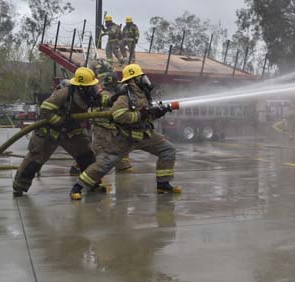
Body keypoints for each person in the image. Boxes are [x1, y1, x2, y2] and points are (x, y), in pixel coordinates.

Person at [70, 64, 181, 200]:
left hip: (145, 134)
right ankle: (78, 188)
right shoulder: (125, 97)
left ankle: (163, 184)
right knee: (105, 163)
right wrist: (140, 114)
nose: (144, 80)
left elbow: (147, 116)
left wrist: (159, 112)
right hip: (125, 138)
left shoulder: (143, 94)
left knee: (168, 150)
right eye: (141, 77)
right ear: (134, 80)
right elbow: (118, 115)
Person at [12, 67, 101, 196]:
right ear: (82, 87)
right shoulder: (64, 93)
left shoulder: (87, 95)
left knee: (86, 157)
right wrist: (60, 121)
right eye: (90, 86)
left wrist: (111, 99)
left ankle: (93, 184)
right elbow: (45, 109)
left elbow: (100, 101)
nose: (93, 88)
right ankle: (19, 186)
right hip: (49, 133)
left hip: (71, 132)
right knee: (34, 161)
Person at [68, 71, 133, 175]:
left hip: (111, 129)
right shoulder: (107, 96)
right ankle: (77, 167)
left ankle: (123, 167)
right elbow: (94, 112)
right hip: (102, 129)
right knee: (98, 151)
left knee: (119, 148)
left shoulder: (108, 95)